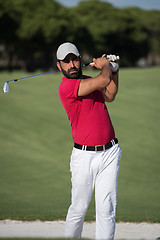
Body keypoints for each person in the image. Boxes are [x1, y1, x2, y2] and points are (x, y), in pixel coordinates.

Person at [57, 42, 121, 240]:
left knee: (106, 208)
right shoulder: (67, 86)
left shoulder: (88, 80)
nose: (72, 65)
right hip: (84, 157)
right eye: (66, 62)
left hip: (110, 153)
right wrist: (105, 66)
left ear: (79, 59)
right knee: (79, 207)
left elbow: (110, 94)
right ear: (59, 66)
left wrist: (115, 70)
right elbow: (103, 80)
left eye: (74, 59)